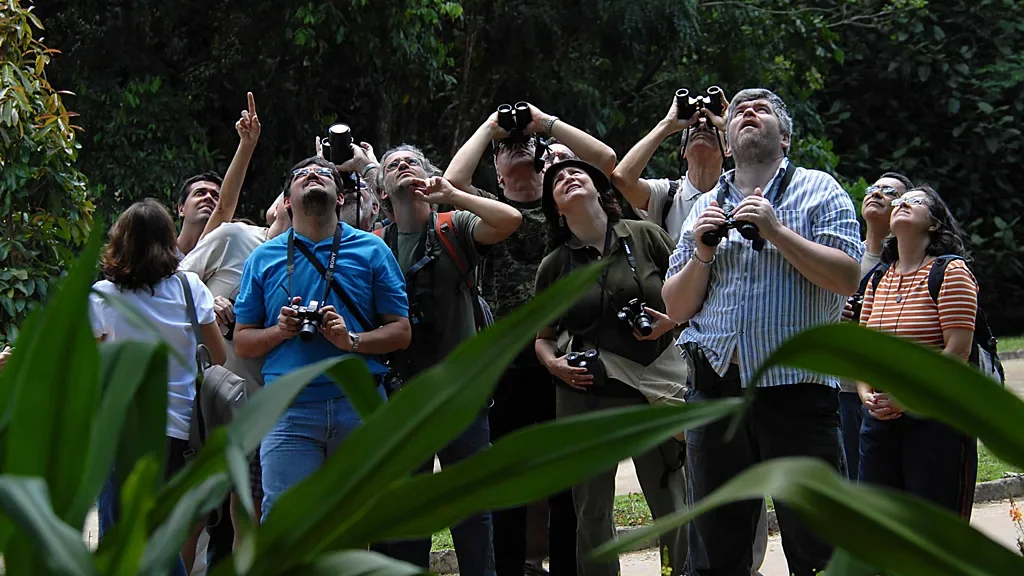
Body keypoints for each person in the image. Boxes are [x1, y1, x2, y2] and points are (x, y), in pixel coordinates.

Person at [662, 88, 863, 576]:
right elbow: (674, 305)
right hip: (715, 391)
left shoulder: (819, 188)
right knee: (714, 548)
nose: (748, 113)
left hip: (796, 389)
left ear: (786, 137)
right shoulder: (703, 207)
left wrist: (775, 231)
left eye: (763, 109)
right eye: (739, 112)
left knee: (817, 545)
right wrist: (703, 252)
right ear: (727, 143)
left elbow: (847, 277)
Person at [445, 103, 616, 576]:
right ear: (496, 175)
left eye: (524, 144)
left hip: (564, 361)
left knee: (566, 486)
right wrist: (488, 128)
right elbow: (452, 185)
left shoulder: (564, 208)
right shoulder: (487, 213)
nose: (514, 146)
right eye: (504, 150)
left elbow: (606, 163)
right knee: (506, 486)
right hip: (505, 370)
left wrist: (547, 125)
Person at [371, 144, 522, 575]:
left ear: (428, 175)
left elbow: (509, 220)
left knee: (471, 509)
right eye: (391, 165)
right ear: (382, 189)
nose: (401, 166)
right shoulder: (373, 243)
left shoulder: (452, 226)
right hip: (401, 398)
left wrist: (452, 194)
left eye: (410, 162)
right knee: (407, 511)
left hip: (460, 395)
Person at [233, 156, 411, 517]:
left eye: (325, 173)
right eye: (301, 174)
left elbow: (401, 331)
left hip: (358, 404)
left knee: (352, 523)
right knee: (286, 524)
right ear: (285, 202)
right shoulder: (263, 258)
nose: (312, 175)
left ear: (341, 198)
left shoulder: (373, 250)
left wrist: (352, 341)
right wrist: (278, 332)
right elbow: (242, 341)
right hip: (288, 409)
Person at [534, 160, 688, 576]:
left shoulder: (646, 236)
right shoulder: (554, 266)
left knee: (672, 501)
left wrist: (669, 322)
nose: (567, 177)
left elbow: (692, 296)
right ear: (555, 207)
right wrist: (556, 366)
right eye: (557, 180)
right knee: (592, 510)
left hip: (656, 385)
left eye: (576, 173)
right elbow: (542, 337)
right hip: (586, 392)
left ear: (602, 190)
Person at [90, 199, 228, 575]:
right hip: (177, 434)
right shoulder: (189, 287)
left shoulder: (103, 295)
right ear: (169, 240)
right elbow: (218, 355)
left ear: (120, 242)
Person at [857, 185, 979, 517]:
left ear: (935, 223)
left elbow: (957, 351)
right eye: (900, 201)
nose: (902, 204)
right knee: (879, 521)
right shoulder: (878, 278)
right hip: (879, 419)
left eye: (915, 201)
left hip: (933, 419)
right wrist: (866, 393)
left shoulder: (950, 272)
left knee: (931, 524)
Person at [838, 172, 913, 479]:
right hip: (844, 389)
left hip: (892, 392)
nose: (878, 194)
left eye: (890, 192)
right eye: (873, 188)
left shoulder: (912, 264)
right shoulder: (841, 256)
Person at [611, 91, 730, 244]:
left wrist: (730, 126)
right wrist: (667, 125)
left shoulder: (740, 192)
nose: (701, 126)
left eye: (711, 126)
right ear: (683, 151)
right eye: (693, 126)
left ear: (728, 148)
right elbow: (622, 179)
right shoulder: (667, 195)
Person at [176, 92, 261, 257]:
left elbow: (224, 207)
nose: (208, 198)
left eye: (216, 196)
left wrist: (247, 144)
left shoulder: (229, 255)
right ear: (181, 208)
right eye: (199, 193)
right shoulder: (160, 254)